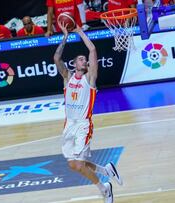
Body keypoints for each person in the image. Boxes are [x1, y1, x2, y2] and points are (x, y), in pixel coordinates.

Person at [53, 21, 122, 203]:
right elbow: (56, 59)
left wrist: (80, 32)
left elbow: (92, 51)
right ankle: (106, 170)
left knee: (80, 164)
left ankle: (104, 188)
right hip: (69, 125)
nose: (84, 60)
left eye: (85, 60)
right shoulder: (67, 78)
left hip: (83, 124)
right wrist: (66, 37)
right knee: (73, 165)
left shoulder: (90, 79)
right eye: (80, 59)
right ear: (74, 63)